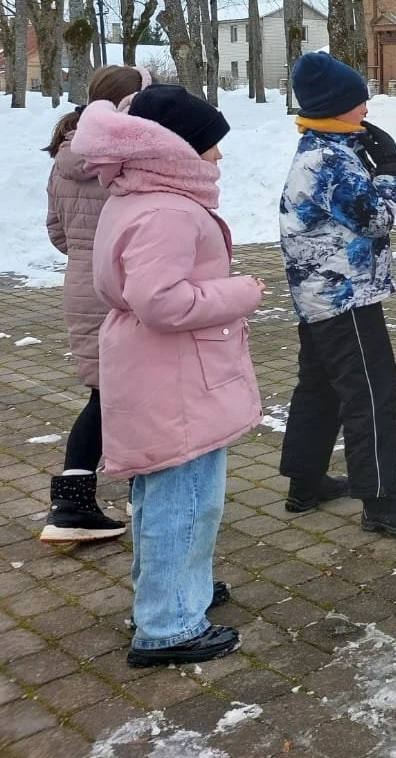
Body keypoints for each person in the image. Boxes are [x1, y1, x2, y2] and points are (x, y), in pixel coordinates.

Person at [72, 86, 264, 667]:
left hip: (167, 374)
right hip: (174, 380)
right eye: (210, 147)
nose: (219, 157)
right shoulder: (167, 210)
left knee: (173, 497)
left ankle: (180, 595)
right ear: (179, 149)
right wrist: (242, 292)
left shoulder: (138, 197)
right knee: (182, 501)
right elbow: (161, 301)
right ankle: (168, 625)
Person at [278, 53, 396, 538]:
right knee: (372, 393)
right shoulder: (330, 159)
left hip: (320, 293)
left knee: (320, 388)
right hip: (344, 296)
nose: (366, 105)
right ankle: (382, 500)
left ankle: (306, 482)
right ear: (335, 105)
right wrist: (388, 170)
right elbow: (374, 218)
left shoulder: (326, 147)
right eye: (357, 98)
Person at [38, 64, 150, 545]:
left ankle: (77, 499)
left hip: (82, 285)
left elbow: (56, 231)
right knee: (131, 396)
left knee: (107, 396)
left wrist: (88, 258)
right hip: (123, 288)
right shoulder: (126, 157)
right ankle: (118, 496)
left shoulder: (65, 153)